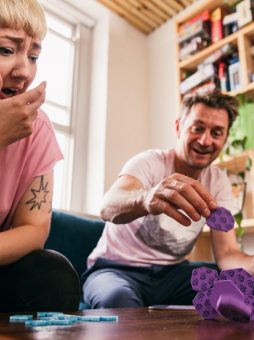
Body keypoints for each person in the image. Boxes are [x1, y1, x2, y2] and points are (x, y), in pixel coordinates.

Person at [82, 91, 254, 309]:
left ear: (225, 138)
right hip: (116, 270)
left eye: (216, 132)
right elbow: (108, 207)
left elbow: (228, 253)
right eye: (197, 128)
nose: (205, 140)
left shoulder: (218, 182)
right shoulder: (149, 162)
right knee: (119, 302)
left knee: (244, 287)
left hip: (173, 275)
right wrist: (145, 198)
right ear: (178, 127)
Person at [0, 0, 80, 312]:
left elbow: (34, 229)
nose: (24, 73)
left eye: (33, 56)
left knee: (53, 276)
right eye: (6, 50)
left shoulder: (37, 127)